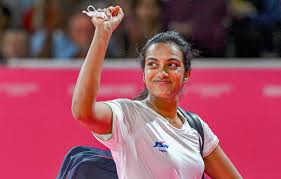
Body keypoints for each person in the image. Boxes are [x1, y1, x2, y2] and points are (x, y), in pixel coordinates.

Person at [71, 6, 243, 179]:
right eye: (153, 64)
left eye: (172, 65)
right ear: (144, 75)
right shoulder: (128, 114)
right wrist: (102, 33)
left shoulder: (196, 127)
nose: (162, 72)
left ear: (186, 74)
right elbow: (82, 111)